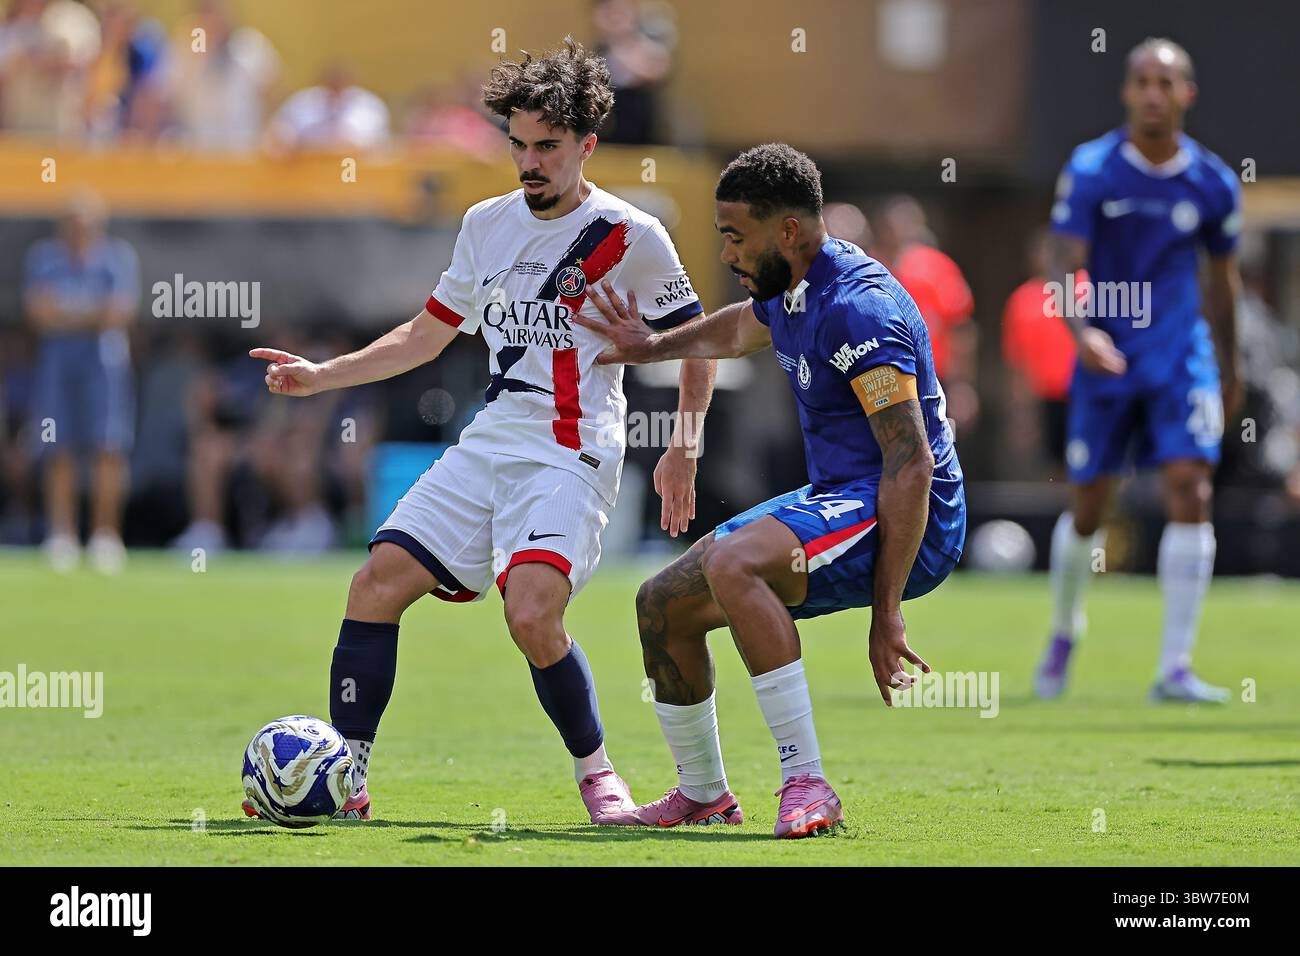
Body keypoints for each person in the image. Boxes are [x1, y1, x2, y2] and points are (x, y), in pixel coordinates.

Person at [246, 37, 713, 823]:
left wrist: (683, 449)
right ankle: (347, 779)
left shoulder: (631, 235)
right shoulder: (485, 224)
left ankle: (598, 776)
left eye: (548, 148)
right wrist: (323, 376)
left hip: (573, 449)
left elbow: (695, 339)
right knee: (375, 584)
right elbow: (426, 335)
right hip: (492, 439)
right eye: (519, 145)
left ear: (587, 146)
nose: (529, 162)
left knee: (532, 615)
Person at [573, 143, 966, 838]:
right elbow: (742, 328)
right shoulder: (790, 283)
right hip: (842, 494)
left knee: (732, 563)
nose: (726, 253)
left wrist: (888, 613)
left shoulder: (861, 312)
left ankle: (808, 783)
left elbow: (910, 464)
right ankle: (703, 795)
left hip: (906, 510)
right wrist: (652, 347)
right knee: (662, 605)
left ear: (786, 230)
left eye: (733, 234)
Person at [1034, 38, 1241, 703]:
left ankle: (1174, 668)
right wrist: (1080, 328)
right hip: (1109, 355)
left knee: (1191, 486)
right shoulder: (1093, 168)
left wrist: (1229, 369)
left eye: (1166, 82)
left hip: (1181, 358)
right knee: (1090, 503)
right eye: (1142, 81)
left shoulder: (1212, 182)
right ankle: (1066, 631)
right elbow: (1063, 261)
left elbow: (1223, 283)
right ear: (1127, 92)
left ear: (1187, 94)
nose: (1154, 92)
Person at [24, 191, 139, 572]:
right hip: (58, 365)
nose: (78, 232)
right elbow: (39, 312)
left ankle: (105, 535)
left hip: (103, 365)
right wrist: (88, 314)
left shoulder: (116, 259)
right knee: (58, 447)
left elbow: (118, 312)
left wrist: (67, 314)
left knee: (108, 447)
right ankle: (62, 534)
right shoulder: (44, 259)